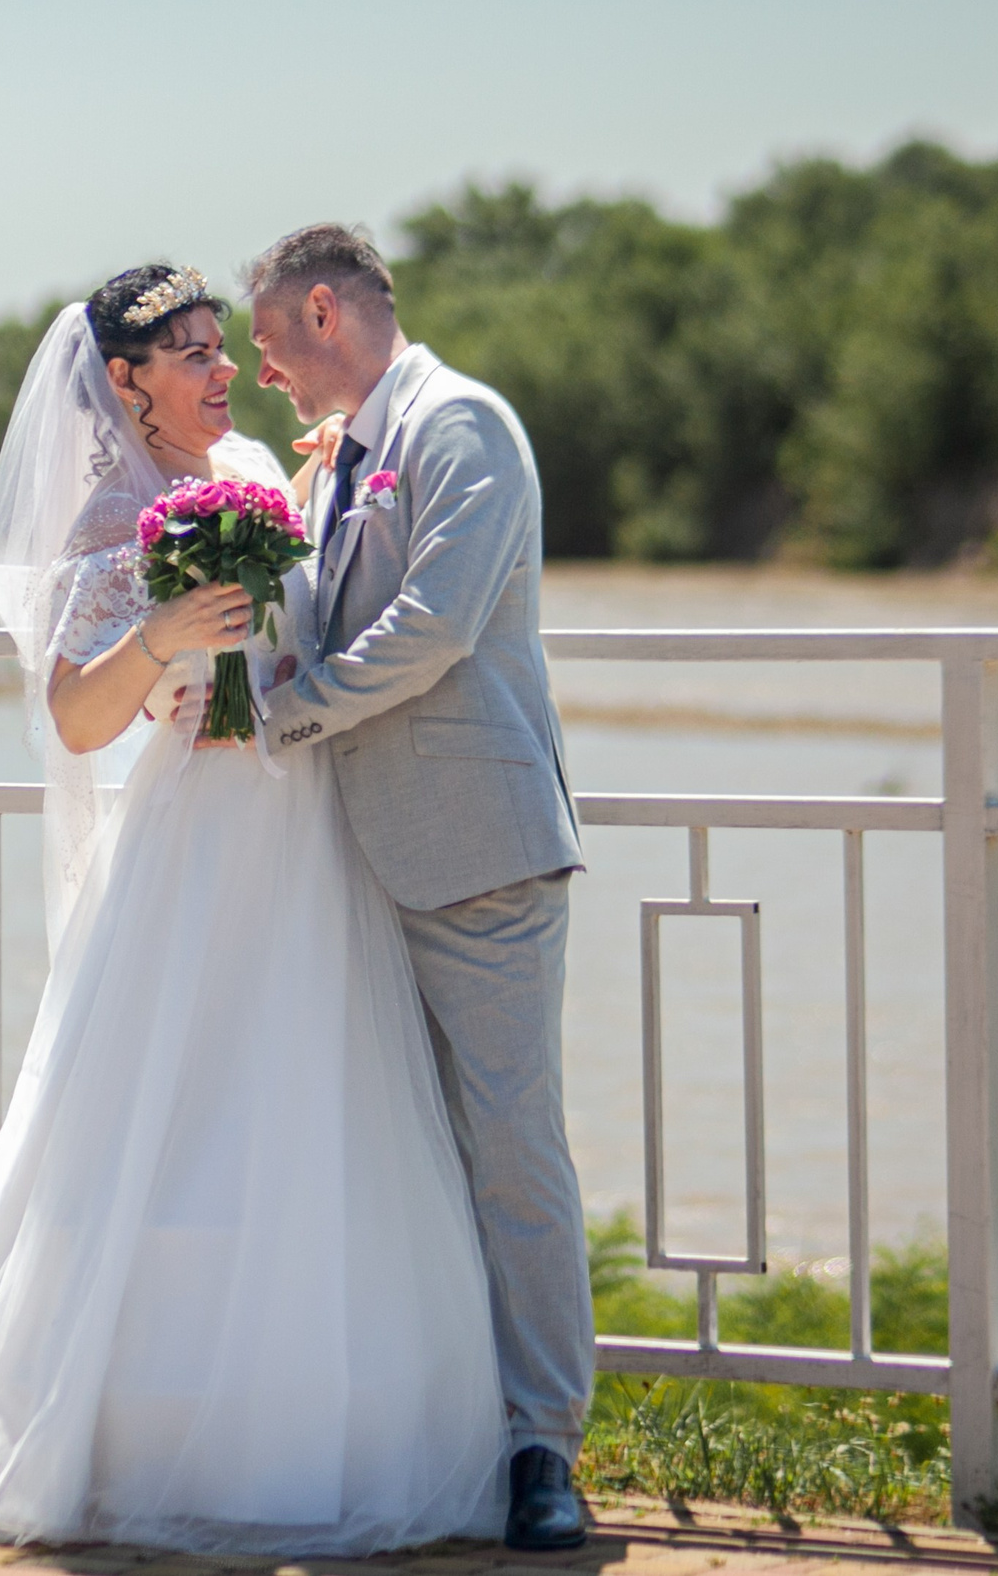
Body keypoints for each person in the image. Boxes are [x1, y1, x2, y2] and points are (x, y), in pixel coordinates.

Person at [0, 265, 511, 1555]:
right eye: (196, 355)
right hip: (190, 843)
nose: (225, 372)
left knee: (313, 1106)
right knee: (169, 1113)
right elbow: (74, 716)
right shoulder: (110, 512)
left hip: (307, 829)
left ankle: (316, 1422)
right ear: (125, 384)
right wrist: (162, 638)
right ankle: (141, 1431)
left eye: (226, 349)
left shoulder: (267, 467)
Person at [243, 223, 594, 1550]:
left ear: (324, 312)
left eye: (271, 345)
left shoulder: (464, 427)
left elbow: (437, 624)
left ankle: (543, 1443)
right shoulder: (356, 447)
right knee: (400, 1147)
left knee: (509, 1145)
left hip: (477, 845)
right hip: (358, 850)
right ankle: (435, 1418)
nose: (267, 374)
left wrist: (292, 714)